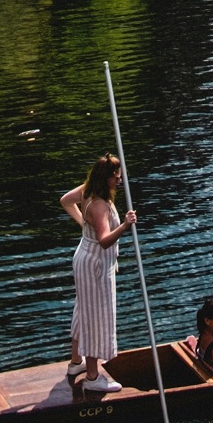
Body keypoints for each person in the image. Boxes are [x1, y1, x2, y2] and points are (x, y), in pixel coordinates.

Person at [60, 154, 135, 394]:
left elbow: (65, 201)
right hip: (95, 265)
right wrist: (125, 225)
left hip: (85, 256)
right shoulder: (100, 205)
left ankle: (76, 363)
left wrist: (84, 224)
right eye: (117, 178)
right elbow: (103, 240)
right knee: (95, 316)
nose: (119, 182)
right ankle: (92, 377)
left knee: (83, 310)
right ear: (107, 178)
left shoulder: (87, 190)